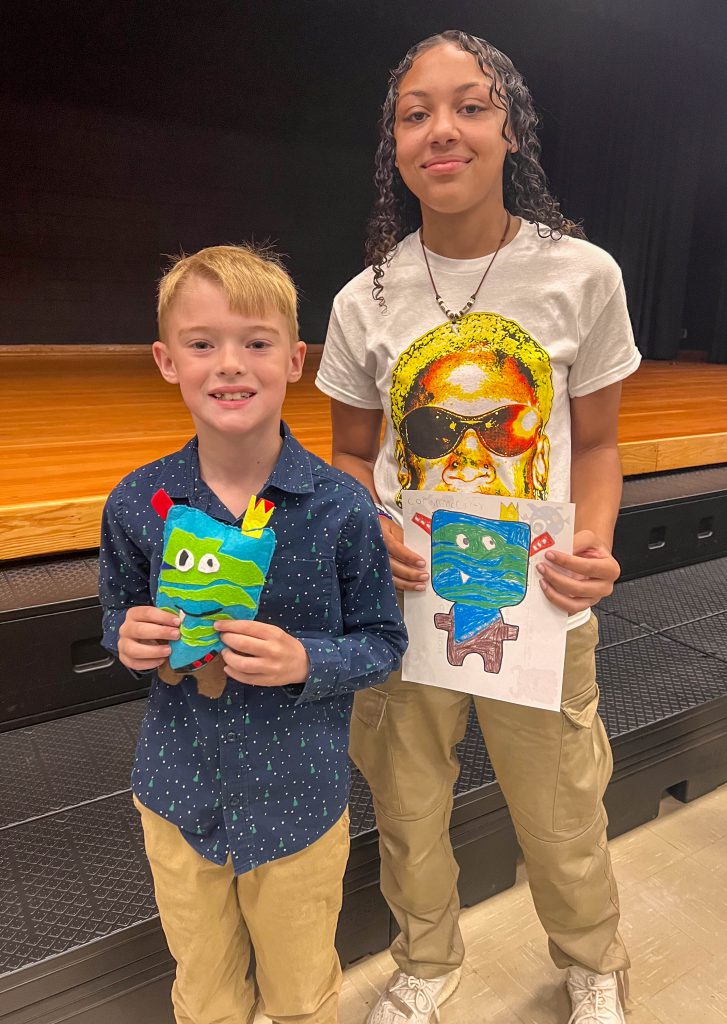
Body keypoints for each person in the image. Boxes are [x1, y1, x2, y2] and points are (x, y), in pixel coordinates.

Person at [316, 29, 641, 1024]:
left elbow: (595, 448)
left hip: (537, 601)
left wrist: (593, 543)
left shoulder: (582, 274)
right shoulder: (362, 299)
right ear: (396, 145)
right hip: (405, 603)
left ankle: (592, 961)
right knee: (409, 808)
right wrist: (367, 527)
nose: (440, 129)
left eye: (468, 105)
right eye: (415, 113)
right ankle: (426, 962)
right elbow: (343, 456)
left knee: (562, 811)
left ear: (510, 130)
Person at [99, 244, 407, 1024]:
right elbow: (117, 615)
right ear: (168, 361)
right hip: (178, 799)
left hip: (299, 808)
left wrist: (308, 658)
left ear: (296, 359)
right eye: (203, 344)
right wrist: (125, 638)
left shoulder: (341, 507)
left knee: (303, 996)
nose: (229, 365)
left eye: (257, 342)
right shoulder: (138, 503)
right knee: (203, 997)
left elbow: (383, 641)